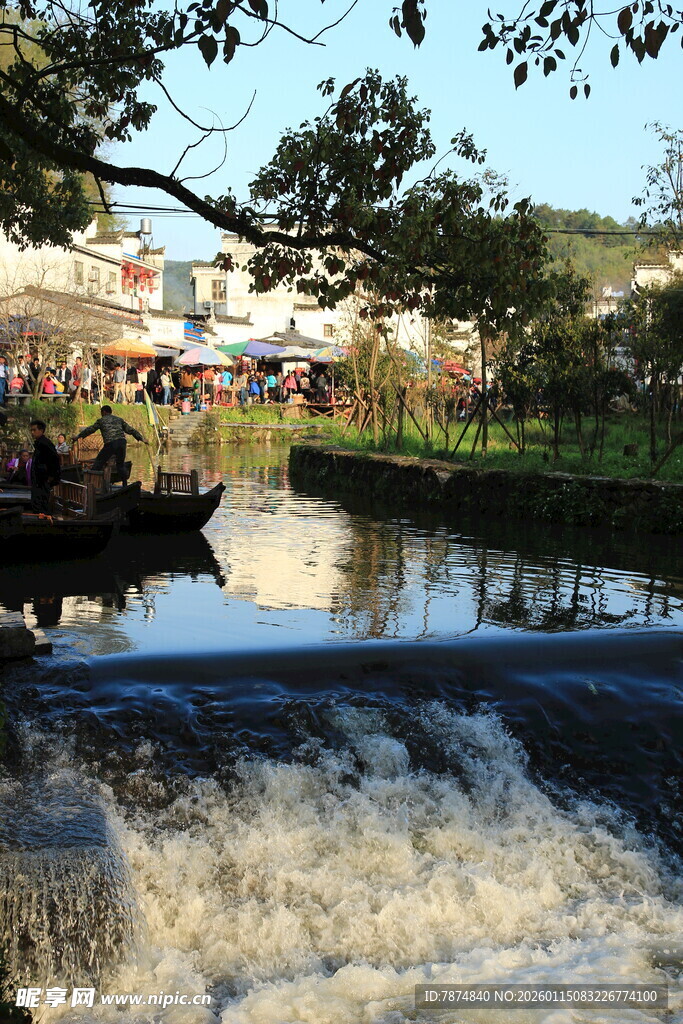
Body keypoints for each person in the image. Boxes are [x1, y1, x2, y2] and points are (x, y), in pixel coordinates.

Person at [72, 405, 148, 482]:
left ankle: (92, 482)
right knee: (120, 465)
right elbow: (131, 430)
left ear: (104, 412)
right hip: (122, 442)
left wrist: (78, 436)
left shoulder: (101, 420)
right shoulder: (119, 419)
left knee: (98, 463)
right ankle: (125, 484)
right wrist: (142, 439)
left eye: (101, 413)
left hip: (111, 444)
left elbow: (90, 430)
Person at [29, 419, 60, 512]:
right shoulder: (39, 443)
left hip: (43, 478)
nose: (32, 432)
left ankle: (43, 519)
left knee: (41, 502)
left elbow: (54, 460)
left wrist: (51, 476)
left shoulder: (45, 443)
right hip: (38, 478)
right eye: (31, 430)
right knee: (37, 501)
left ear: (41, 430)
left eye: (34, 430)